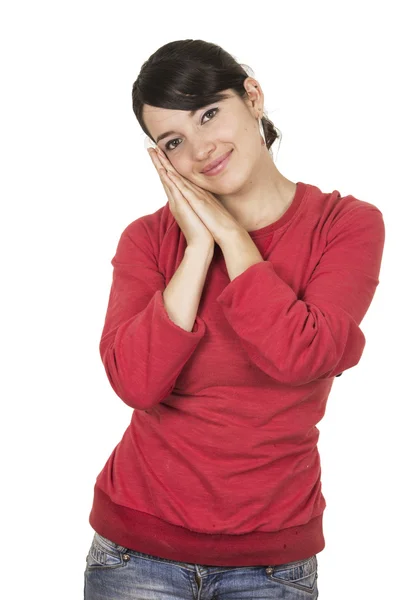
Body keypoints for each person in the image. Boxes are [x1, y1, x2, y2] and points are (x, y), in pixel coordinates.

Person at [84, 39, 385, 599]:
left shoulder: (345, 225)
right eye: (174, 141)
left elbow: (300, 355)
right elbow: (136, 383)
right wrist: (198, 247)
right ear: (161, 157)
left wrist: (230, 235)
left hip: (272, 566)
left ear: (253, 97)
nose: (200, 149)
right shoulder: (149, 240)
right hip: (135, 554)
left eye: (209, 113)